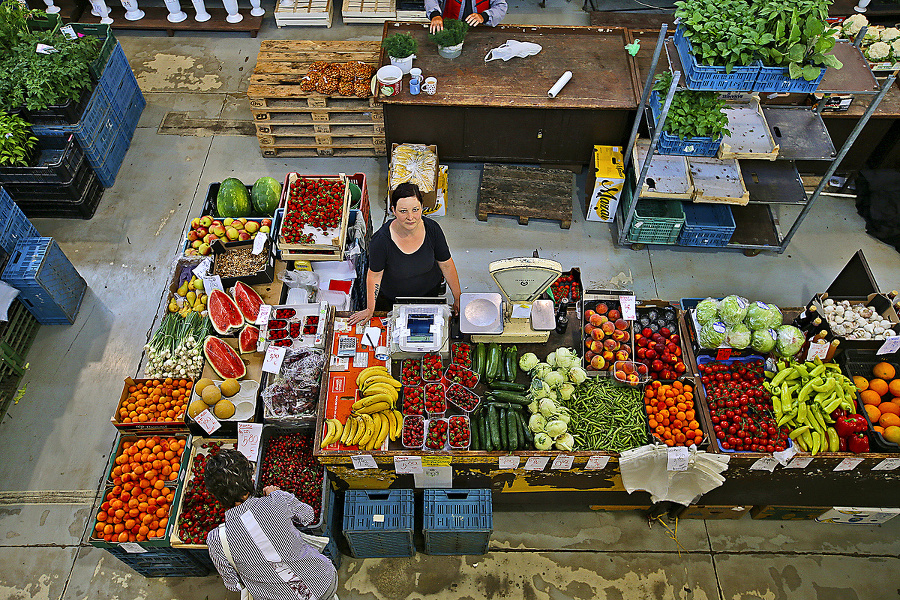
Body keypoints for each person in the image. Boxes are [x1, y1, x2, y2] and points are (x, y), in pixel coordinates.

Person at [205, 450, 338, 600]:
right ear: (250, 479)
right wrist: (276, 494)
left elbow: (233, 584)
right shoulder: (277, 500)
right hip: (323, 583)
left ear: (216, 496)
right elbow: (308, 516)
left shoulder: (216, 540)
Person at [348, 183, 461, 326]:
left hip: (429, 294)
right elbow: (374, 275)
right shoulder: (381, 241)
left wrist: (458, 297)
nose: (410, 217)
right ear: (393, 211)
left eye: (415, 210)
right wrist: (370, 309)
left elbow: (446, 264)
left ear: (422, 207)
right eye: (403, 211)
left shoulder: (433, 230)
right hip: (393, 299)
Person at [426, 0, 507, 32]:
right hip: (449, 29)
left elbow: (501, 6)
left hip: (479, 31)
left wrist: (484, 16)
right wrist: (435, 14)